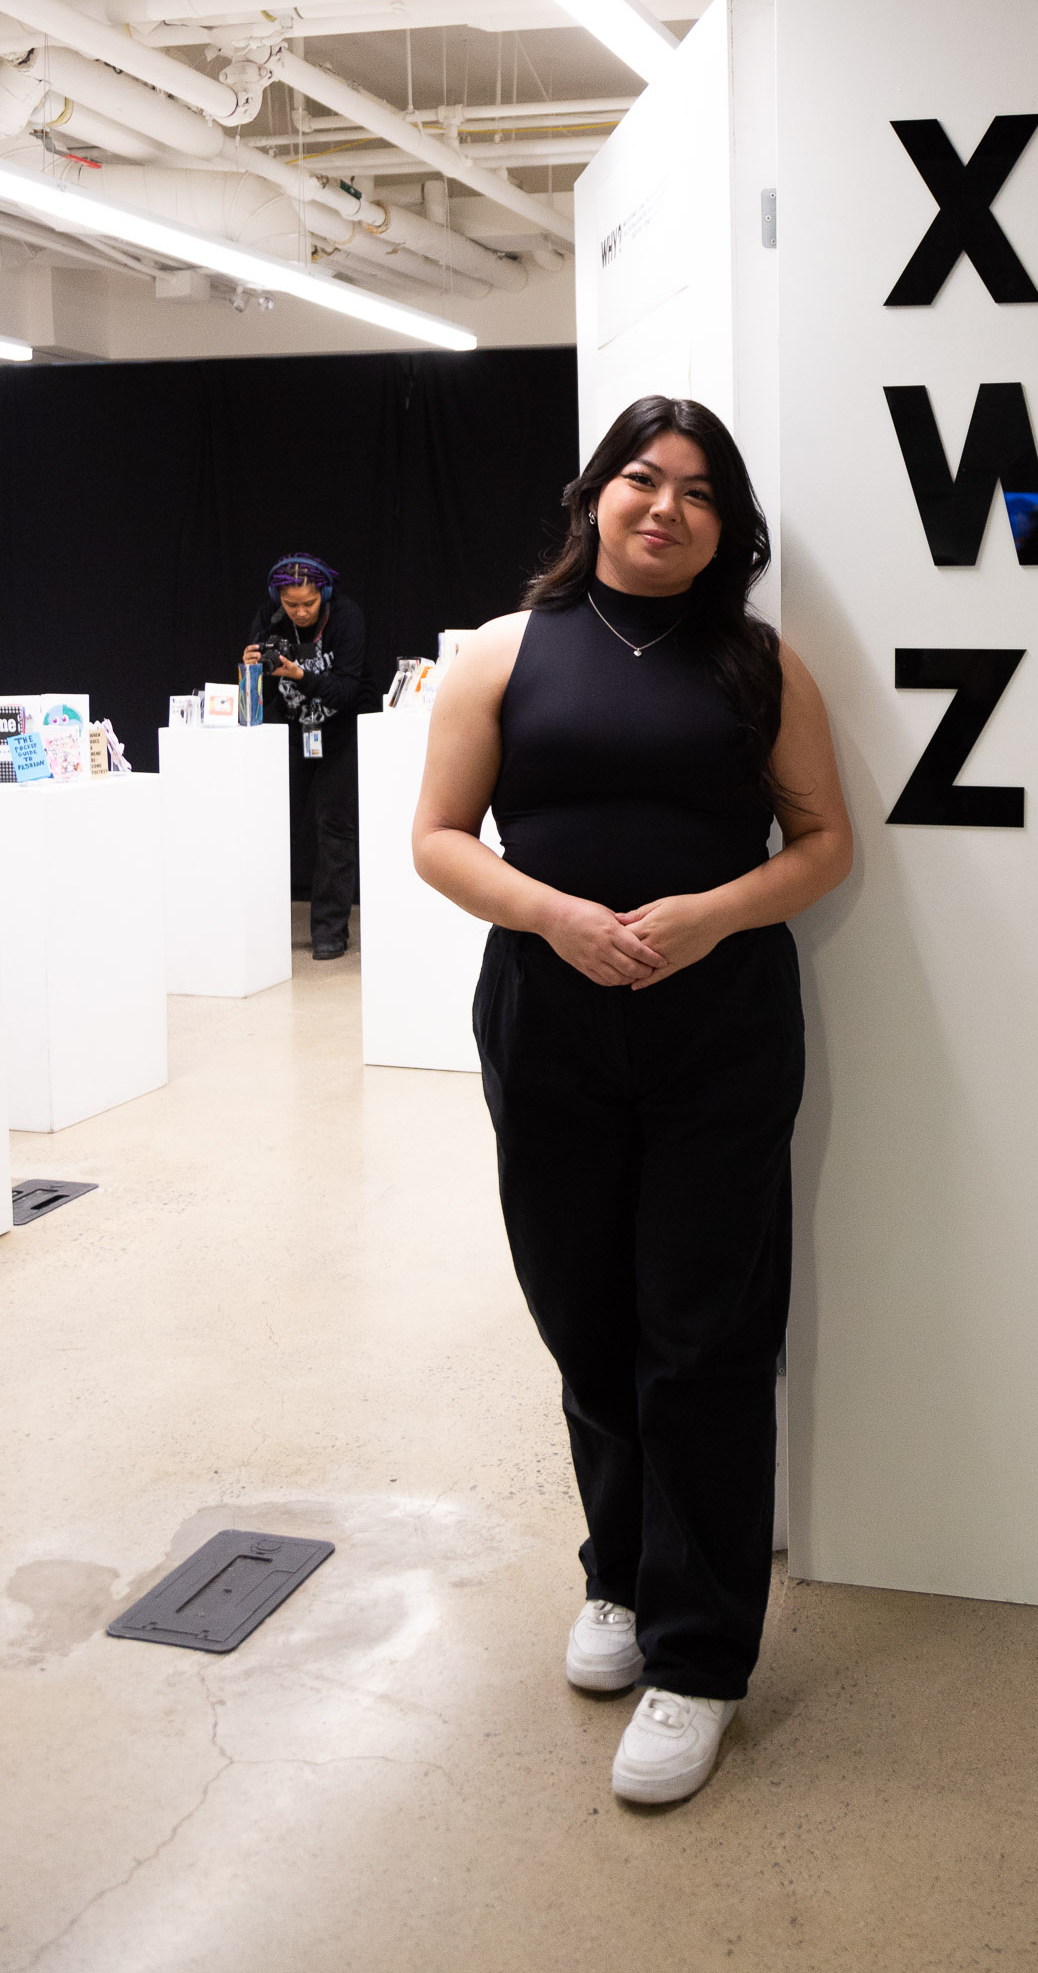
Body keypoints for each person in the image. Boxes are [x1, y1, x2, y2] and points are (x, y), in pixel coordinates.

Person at [413, 397, 853, 1807]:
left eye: (700, 492)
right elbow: (435, 840)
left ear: (728, 525)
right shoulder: (500, 655)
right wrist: (557, 917)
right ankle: (619, 1578)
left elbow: (825, 841)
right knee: (585, 1317)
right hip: (546, 1019)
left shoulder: (759, 663)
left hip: (718, 1027)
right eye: (641, 480)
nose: (665, 508)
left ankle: (702, 1663)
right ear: (593, 497)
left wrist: (715, 915)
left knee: (704, 1337)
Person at [243, 553, 369, 963]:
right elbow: (254, 697)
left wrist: (299, 674)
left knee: (335, 828)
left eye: (307, 604)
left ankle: (330, 932)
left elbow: (347, 691)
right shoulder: (268, 618)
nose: (298, 612)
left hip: (339, 731)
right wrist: (249, 672)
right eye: (290, 604)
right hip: (292, 731)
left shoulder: (346, 618)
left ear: (324, 595)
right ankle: (265, 926)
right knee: (278, 826)